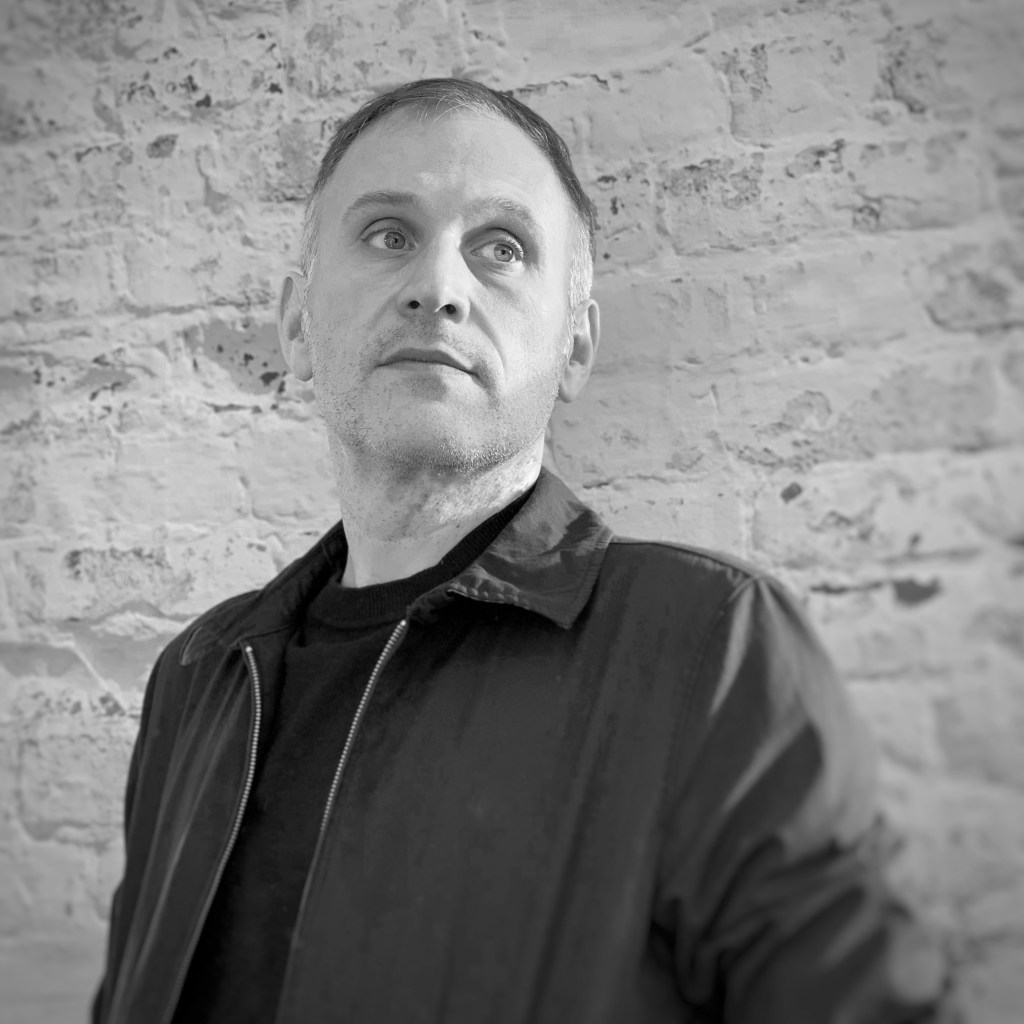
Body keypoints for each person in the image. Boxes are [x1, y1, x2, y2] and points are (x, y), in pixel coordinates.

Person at [92, 78, 952, 1024]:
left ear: (574, 348)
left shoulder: (708, 645)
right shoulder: (197, 677)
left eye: (501, 248)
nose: (438, 287)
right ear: (297, 324)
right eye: (387, 234)